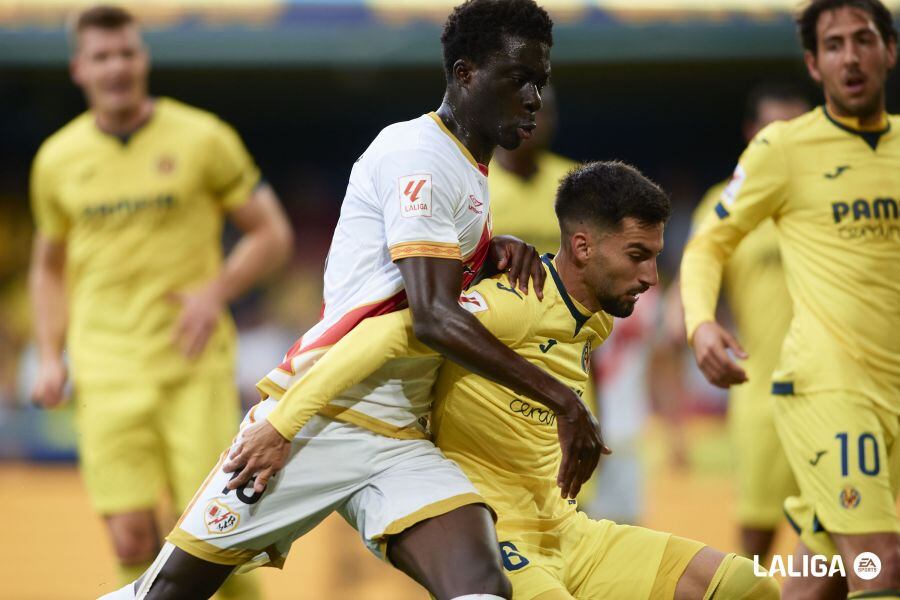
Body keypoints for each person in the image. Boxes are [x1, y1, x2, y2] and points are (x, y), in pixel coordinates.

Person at [106, 1, 606, 599]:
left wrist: (491, 250)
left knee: (480, 587)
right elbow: (432, 317)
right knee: (163, 596)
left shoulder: (469, 170)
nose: (532, 97)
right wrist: (562, 402)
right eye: (517, 78)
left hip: (398, 436)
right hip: (316, 420)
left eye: (540, 82)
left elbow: (421, 282)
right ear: (466, 73)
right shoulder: (417, 152)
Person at [199, 161, 780, 599]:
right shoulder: (515, 302)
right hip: (495, 534)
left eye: (654, 256)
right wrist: (280, 420)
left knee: (746, 587)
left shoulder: (596, 320)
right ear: (582, 246)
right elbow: (387, 335)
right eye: (637, 255)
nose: (652, 276)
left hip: (568, 530)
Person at [28, 6, 294, 598]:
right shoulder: (56, 160)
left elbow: (272, 233)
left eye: (126, 52)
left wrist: (214, 293)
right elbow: (47, 268)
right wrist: (50, 355)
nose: (116, 67)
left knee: (215, 534)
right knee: (129, 540)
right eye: (102, 56)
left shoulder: (202, 137)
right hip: (105, 369)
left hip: (190, 365)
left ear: (143, 58)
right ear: (79, 69)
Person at [681, 1, 900, 597]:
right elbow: (707, 245)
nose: (850, 57)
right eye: (834, 45)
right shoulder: (784, 150)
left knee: (816, 574)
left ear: (890, 50)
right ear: (814, 63)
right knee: (881, 562)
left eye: (863, 40)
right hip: (824, 388)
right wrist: (701, 324)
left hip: (892, 390)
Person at [686, 82, 810, 559]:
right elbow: (698, 274)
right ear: (750, 133)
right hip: (761, 399)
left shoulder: (829, 198)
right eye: (773, 131)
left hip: (838, 391)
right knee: (756, 542)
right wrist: (698, 325)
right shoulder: (726, 203)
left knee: (839, 541)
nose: (784, 143)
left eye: (796, 131)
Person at [489, 85, 577, 255]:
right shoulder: (472, 181)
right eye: (523, 109)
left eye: (542, 111)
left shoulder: (576, 181)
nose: (534, 121)